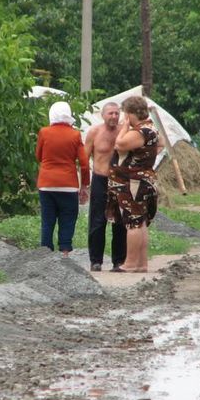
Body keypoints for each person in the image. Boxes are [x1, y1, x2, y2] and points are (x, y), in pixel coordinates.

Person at [106, 95, 161, 273]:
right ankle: (141, 263)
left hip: (134, 183)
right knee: (141, 222)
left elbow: (120, 144)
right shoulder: (150, 129)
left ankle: (130, 263)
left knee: (133, 223)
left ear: (130, 113)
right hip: (142, 180)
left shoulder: (140, 131)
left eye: (124, 113)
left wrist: (124, 126)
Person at [36, 101, 90, 254]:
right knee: (67, 219)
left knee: (47, 221)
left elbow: (39, 156)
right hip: (68, 185)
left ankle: (45, 253)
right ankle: (65, 253)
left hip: (46, 184)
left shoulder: (44, 132)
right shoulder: (75, 134)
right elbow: (84, 163)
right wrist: (84, 186)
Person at [84, 102, 127, 272]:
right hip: (100, 179)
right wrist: (84, 185)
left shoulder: (124, 132)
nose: (114, 117)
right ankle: (96, 260)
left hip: (120, 180)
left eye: (116, 113)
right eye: (110, 113)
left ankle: (119, 261)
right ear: (103, 115)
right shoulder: (95, 132)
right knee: (97, 221)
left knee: (120, 222)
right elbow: (84, 159)